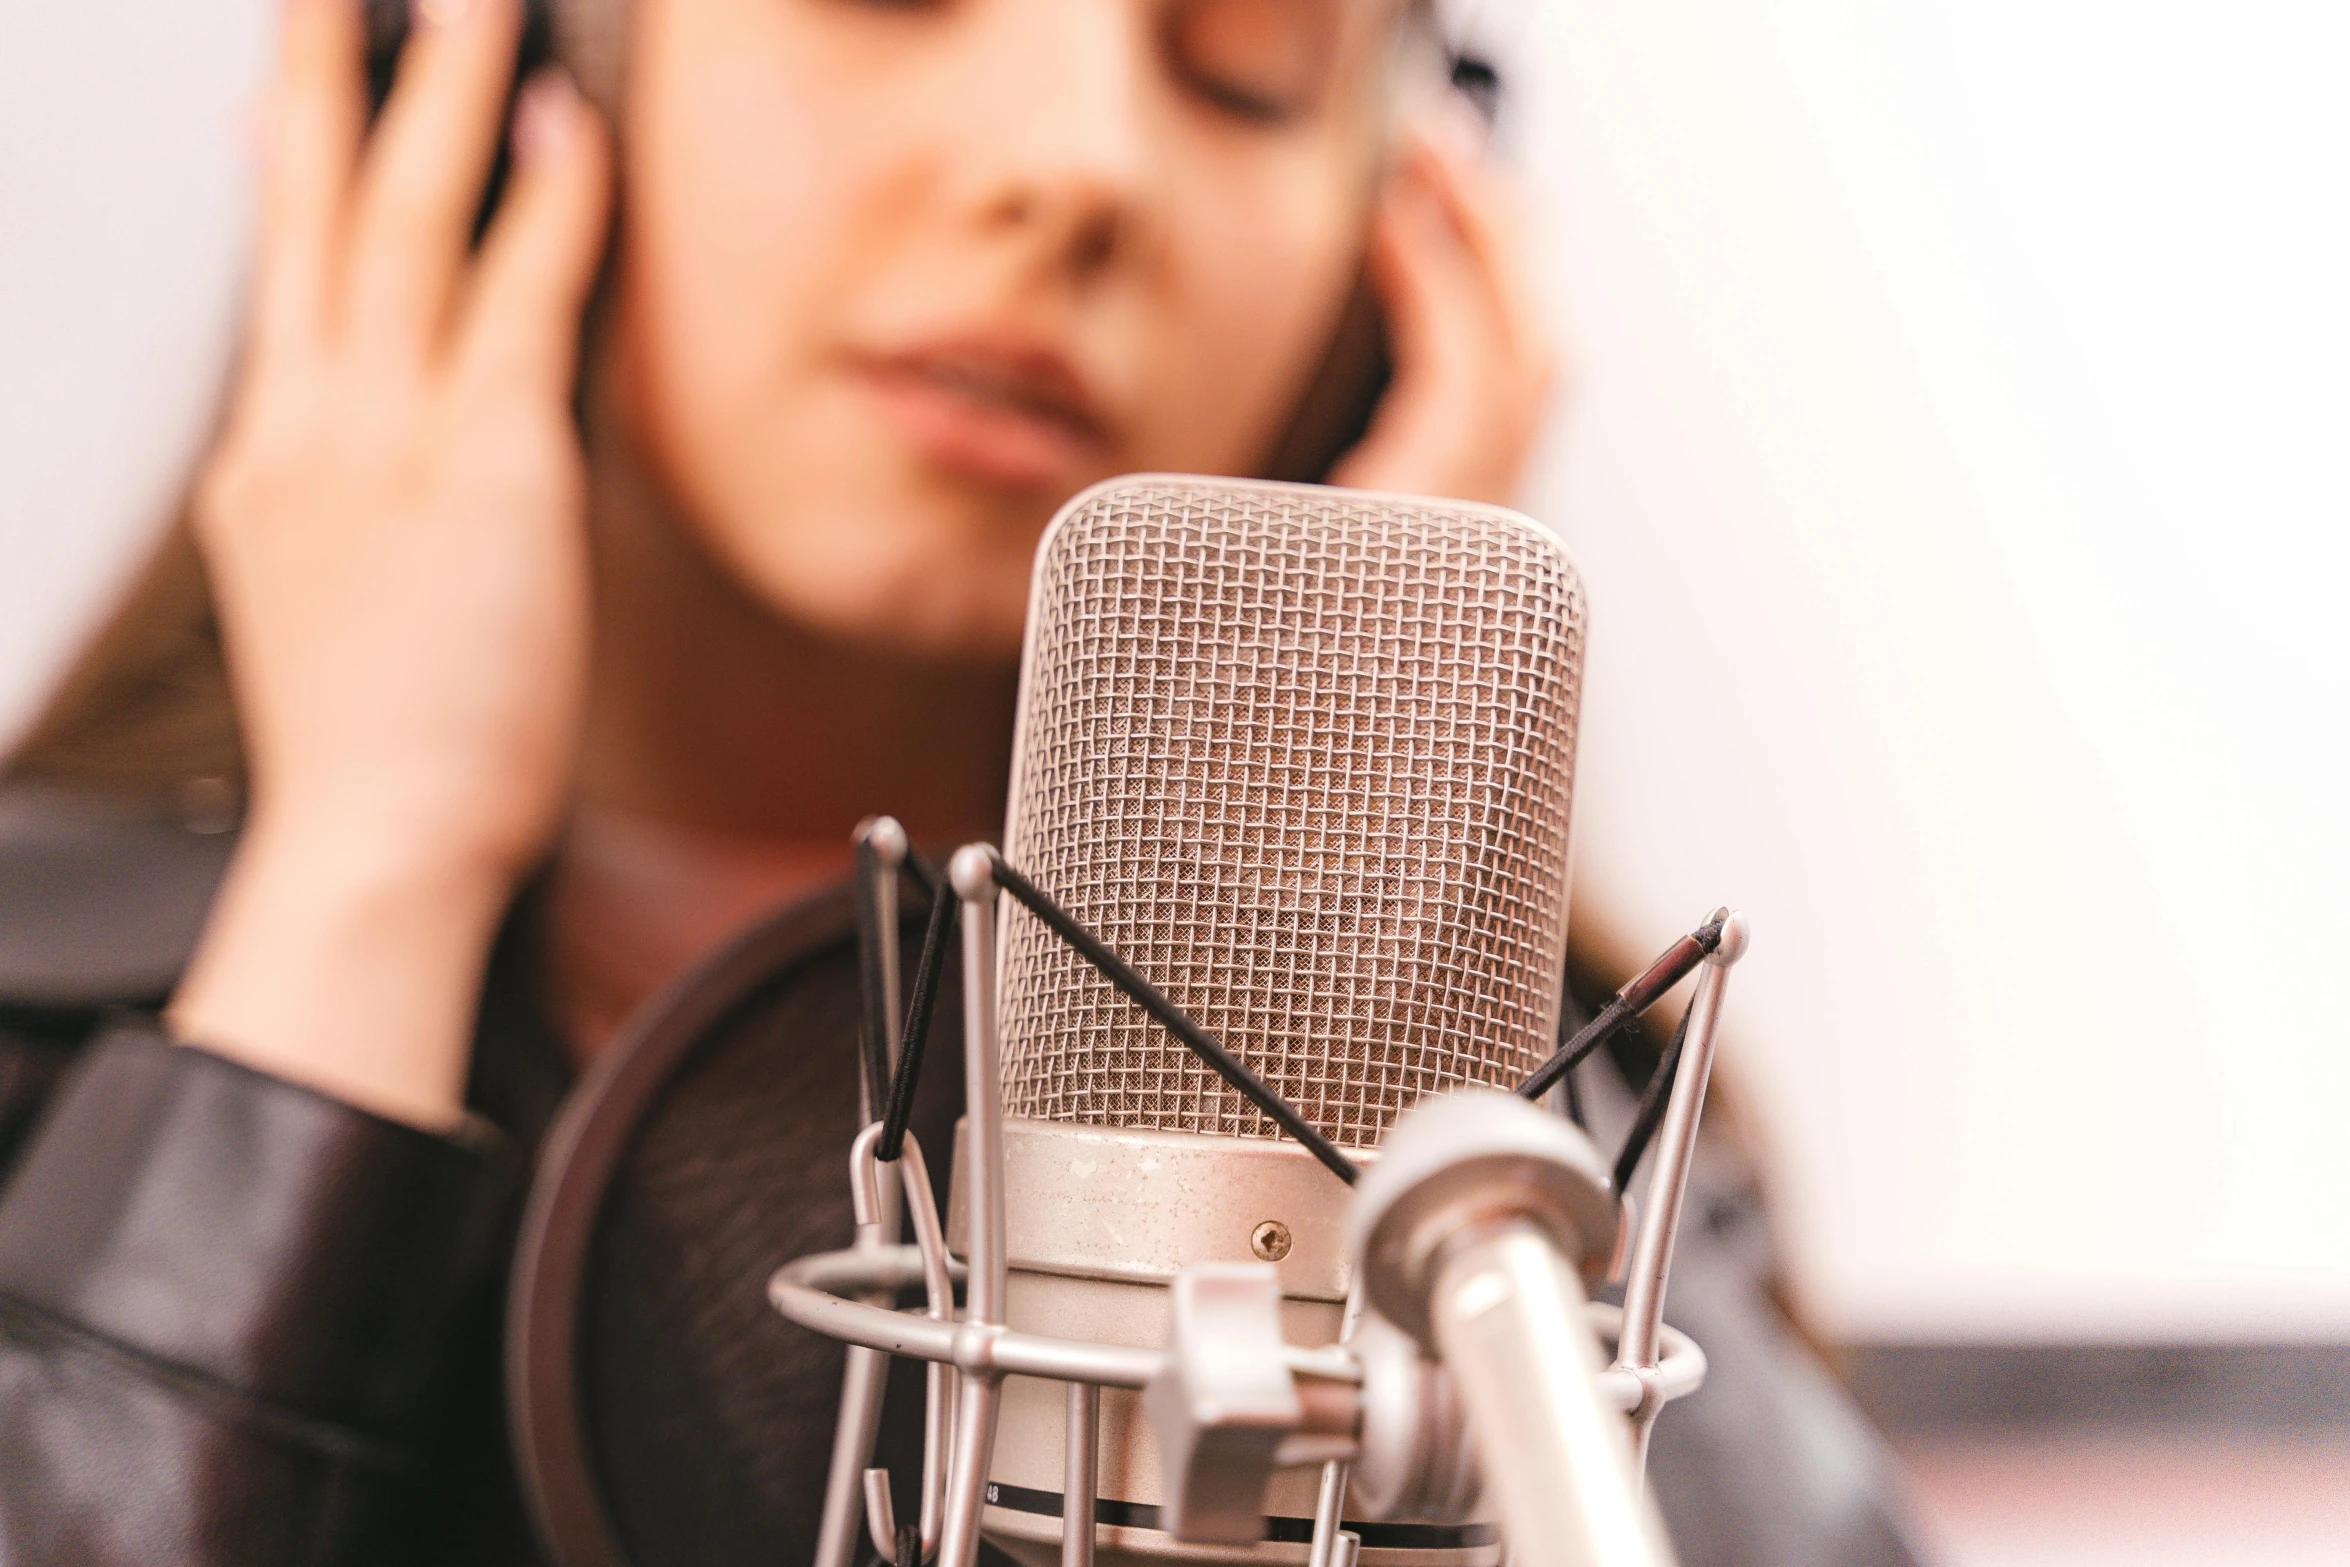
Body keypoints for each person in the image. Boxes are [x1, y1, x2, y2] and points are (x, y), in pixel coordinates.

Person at [0, 0, 1925, 1563]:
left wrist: (1371, 922)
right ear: (510, 71)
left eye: (1245, 61)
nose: (1073, 162)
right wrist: (363, 879)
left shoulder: (1579, 1125)